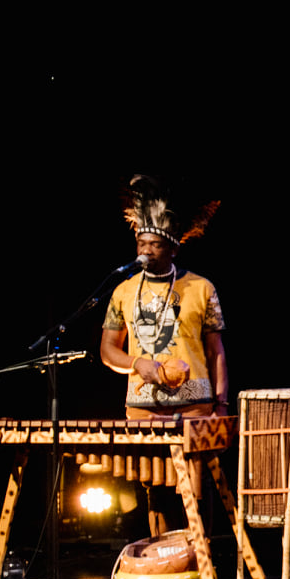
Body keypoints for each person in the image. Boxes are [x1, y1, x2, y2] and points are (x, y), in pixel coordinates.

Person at [101, 175, 228, 419]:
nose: (146, 250)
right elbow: (108, 350)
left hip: (194, 406)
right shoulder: (122, 291)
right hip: (142, 406)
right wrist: (136, 364)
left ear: (173, 250)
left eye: (156, 244)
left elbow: (216, 352)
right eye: (141, 243)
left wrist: (221, 405)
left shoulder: (202, 288)